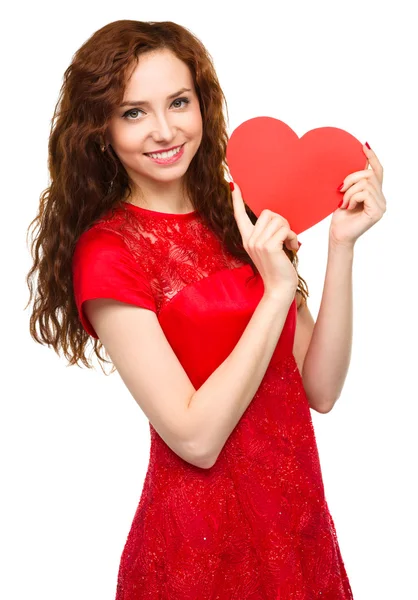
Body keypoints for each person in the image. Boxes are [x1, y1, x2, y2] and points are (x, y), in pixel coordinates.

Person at [25, 19, 386, 600]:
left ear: (203, 104)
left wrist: (341, 246)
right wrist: (274, 292)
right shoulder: (108, 251)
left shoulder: (239, 208)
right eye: (133, 112)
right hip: (197, 548)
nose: (165, 130)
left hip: (296, 526)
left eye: (178, 102)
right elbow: (195, 439)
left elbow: (318, 388)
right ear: (100, 129)